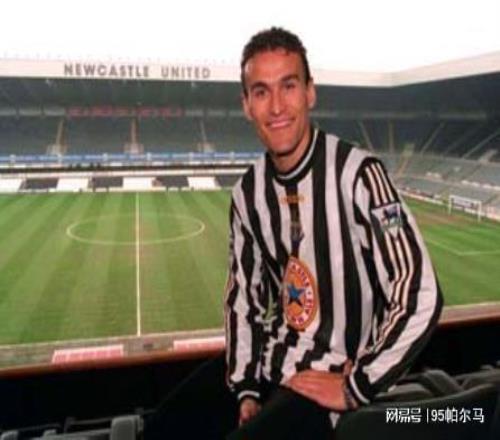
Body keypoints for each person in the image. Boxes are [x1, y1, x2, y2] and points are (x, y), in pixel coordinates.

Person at [145, 27, 443, 439]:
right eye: (261, 92)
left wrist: (358, 385)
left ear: (310, 93)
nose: (277, 106)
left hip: (330, 379)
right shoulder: (248, 193)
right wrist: (245, 387)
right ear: (246, 105)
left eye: (288, 86)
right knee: (159, 431)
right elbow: (244, 301)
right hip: (271, 364)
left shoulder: (358, 175)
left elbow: (419, 291)